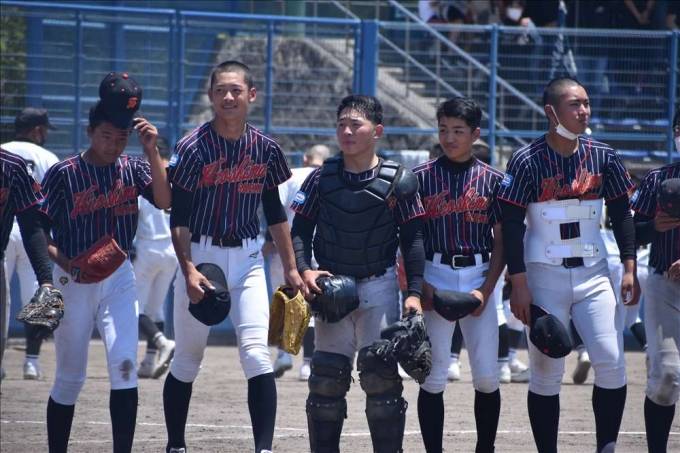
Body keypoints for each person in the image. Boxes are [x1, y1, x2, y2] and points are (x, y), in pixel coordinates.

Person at [163, 60, 304, 453]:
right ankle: (176, 444)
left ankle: (264, 448)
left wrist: (291, 267)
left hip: (247, 258)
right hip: (201, 257)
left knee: (257, 355)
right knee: (188, 358)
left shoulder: (266, 148)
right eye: (221, 90)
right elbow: (179, 216)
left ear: (251, 95)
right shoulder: (192, 147)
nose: (228, 97)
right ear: (211, 96)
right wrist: (188, 270)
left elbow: (275, 213)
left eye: (236, 90)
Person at [497, 76, 639, 453]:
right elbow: (511, 225)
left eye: (586, 103)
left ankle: (606, 446)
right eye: (575, 104)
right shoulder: (526, 159)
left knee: (612, 362)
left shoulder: (604, 155)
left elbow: (622, 215)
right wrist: (519, 283)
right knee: (546, 372)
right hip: (543, 275)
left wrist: (629, 267)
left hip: (594, 273)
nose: (584, 111)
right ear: (551, 111)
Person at [39, 72, 171, 453]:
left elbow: (165, 200)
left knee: (125, 366)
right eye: (106, 136)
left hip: (119, 275)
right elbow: (40, 233)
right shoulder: (64, 173)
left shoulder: (133, 167)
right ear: (90, 132)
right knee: (70, 377)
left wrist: (151, 151)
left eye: (121, 138)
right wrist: (67, 265)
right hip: (73, 278)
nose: (113, 145)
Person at [291, 94, 425, 453]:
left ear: (377, 131)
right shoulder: (321, 178)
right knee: (326, 379)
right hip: (332, 290)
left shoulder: (399, 180)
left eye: (356, 125)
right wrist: (304, 270)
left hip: (378, 285)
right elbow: (299, 230)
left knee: (380, 377)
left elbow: (413, 240)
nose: (347, 132)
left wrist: (414, 293)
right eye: (341, 125)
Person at [414, 97, 505, 453]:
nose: (449, 138)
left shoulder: (494, 180)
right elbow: (407, 237)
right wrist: (420, 285)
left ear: (475, 134)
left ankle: (486, 449)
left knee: (486, 376)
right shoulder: (420, 177)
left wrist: (486, 290)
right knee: (433, 377)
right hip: (434, 271)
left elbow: (502, 241)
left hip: (479, 273)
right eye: (443, 130)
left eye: (458, 131)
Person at [630, 108, 680, 453]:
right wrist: (653, 227)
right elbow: (631, 231)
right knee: (666, 377)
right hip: (665, 286)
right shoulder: (657, 179)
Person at [1, 107, 59, 379]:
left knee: (4, 302)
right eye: (45, 129)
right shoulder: (47, 157)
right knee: (35, 295)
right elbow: (51, 201)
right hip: (32, 231)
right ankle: (31, 362)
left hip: (5, 228)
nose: (45, 134)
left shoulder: (3, 151)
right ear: (37, 130)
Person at [265, 144, 331, 381]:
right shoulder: (329, 178)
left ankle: (283, 356)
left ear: (305, 158)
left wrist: (268, 241)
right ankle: (308, 363)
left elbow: (276, 210)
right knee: (312, 304)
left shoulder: (291, 175)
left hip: (287, 249)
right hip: (318, 249)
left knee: (285, 300)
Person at [134, 137, 177, 379]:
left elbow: (134, 212)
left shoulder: (145, 173)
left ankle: (162, 342)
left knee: (135, 308)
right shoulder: (177, 174)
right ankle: (149, 362)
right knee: (156, 309)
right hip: (172, 250)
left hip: (148, 247)